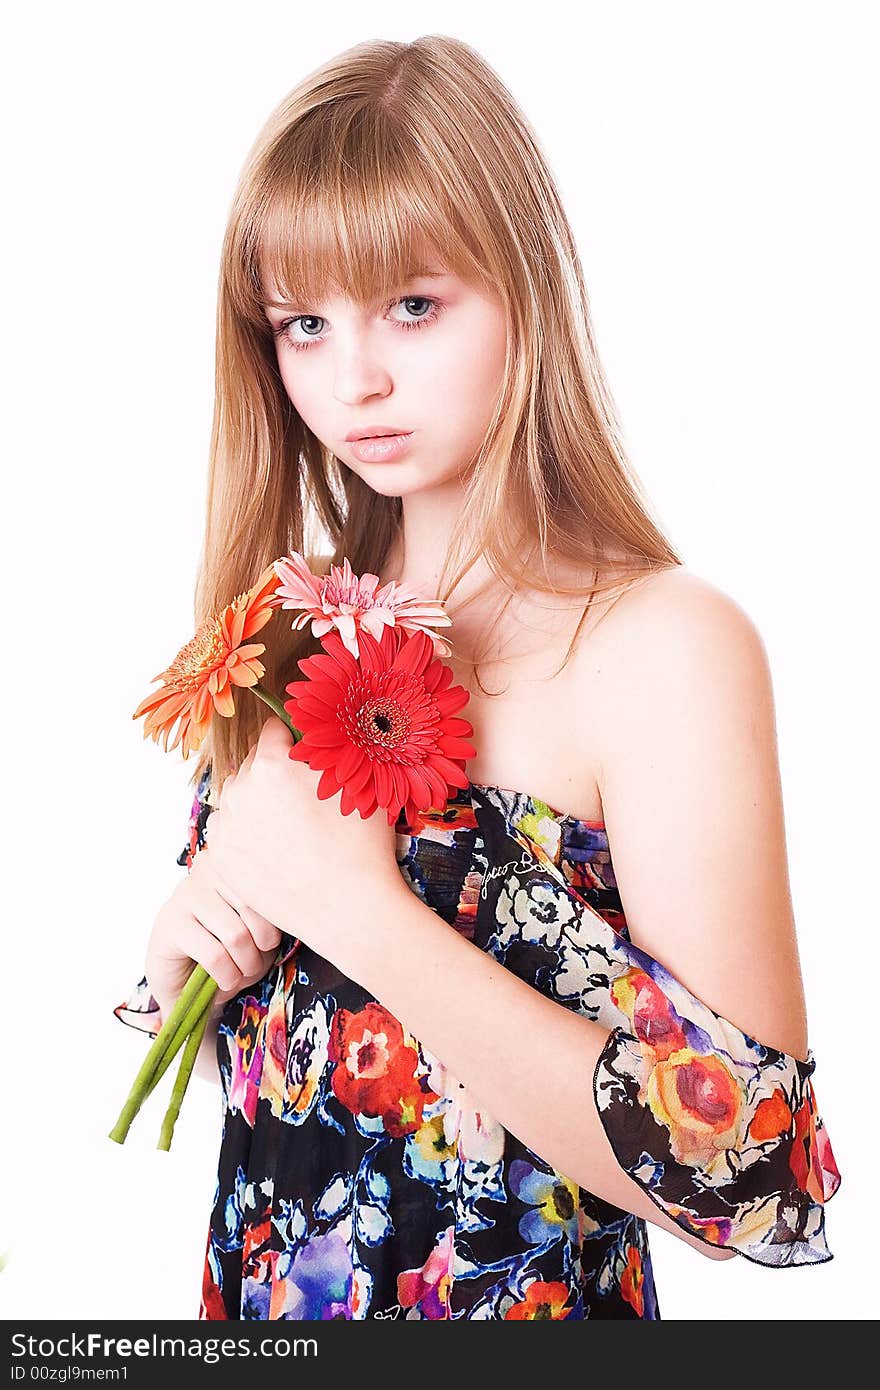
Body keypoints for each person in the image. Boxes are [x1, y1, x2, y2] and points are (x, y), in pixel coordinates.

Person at [114, 34, 840, 1321]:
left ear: (522, 291)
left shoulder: (661, 644)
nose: (357, 380)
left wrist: (363, 913)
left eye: (411, 304)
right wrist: (194, 952)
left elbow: (754, 1176)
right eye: (304, 324)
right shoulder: (295, 628)